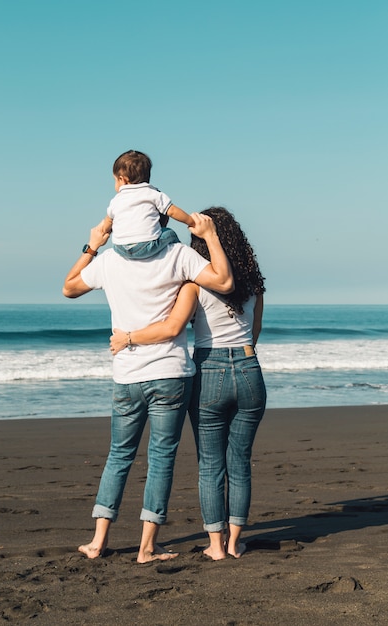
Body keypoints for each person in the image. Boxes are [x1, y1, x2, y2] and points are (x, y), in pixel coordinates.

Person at [62, 212, 234, 563]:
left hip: (127, 375)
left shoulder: (109, 260)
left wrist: (93, 245)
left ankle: (97, 542)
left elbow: (69, 287)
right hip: (170, 373)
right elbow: (224, 281)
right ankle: (146, 547)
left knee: (119, 456)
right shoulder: (180, 256)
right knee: (161, 459)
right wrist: (210, 234)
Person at [110, 207, 267, 560]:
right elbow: (254, 335)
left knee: (211, 463)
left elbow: (172, 328)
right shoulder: (255, 283)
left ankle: (215, 546)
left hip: (209, 369)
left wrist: (129, 337)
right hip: (248, 368)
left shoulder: (194, 283)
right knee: (240, 460)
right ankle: (235, 543)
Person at [100, 149, 195, 259]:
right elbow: (172, 211)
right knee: (170, 234)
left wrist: (104, 230)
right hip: (145, 246)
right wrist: (191, 221)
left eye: (115, 180)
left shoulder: (116, 200)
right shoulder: (153, 194)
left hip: (120, 247)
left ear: (123, 180)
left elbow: (108, 221)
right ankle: (177, 255)